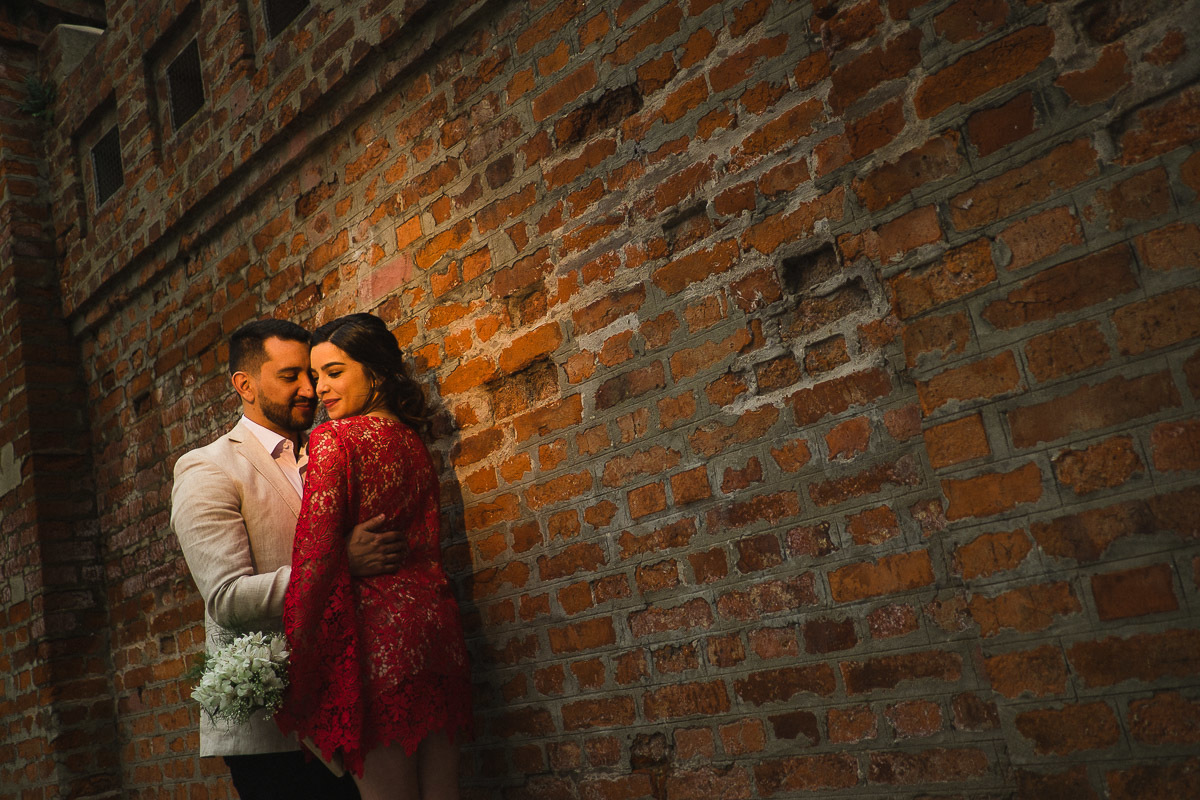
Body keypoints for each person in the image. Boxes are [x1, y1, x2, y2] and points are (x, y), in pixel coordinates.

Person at [171, 318, 408, 800]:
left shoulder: (334, 447)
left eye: (313, 375)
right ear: (245, 384)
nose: (310, 388)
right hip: (272, 728)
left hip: (355, 704)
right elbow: (227, 597)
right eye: (290, 377)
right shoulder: (207, 467)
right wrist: (339, 562)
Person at [274, 313, 473, 800]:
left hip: (377, 646)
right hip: (437, 636)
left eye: (335, 372)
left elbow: (315, 559)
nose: (321, 388)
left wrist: (296, 661)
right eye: (317, 375)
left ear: (376, 374)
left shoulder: (334, 440)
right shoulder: (413, 442)